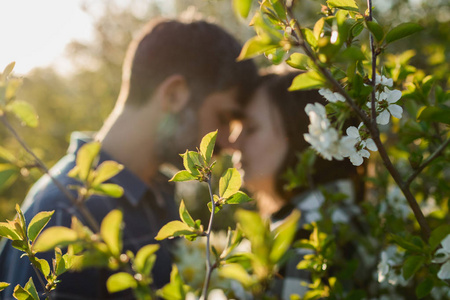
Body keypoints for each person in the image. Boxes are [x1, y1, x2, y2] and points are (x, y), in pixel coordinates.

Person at [0, 18, 258, 299]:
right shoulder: (63, 211)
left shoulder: (159, 193)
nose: (229, 142)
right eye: (222, 118)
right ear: (174, 95)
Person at [235, 72, 366, 299]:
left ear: (301, 134)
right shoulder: (333, 216)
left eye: (252, 128)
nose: (234, 141)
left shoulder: (307, 233)